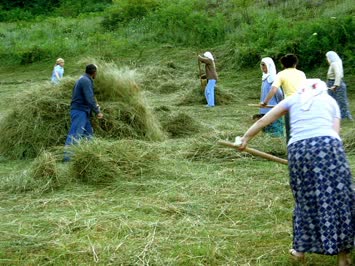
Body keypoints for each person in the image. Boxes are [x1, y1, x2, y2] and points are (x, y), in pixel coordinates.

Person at [239, 79, 354, 266]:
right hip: (329, 147)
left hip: (298, 149)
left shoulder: (294, 99)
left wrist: (245, 139)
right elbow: (335, 133)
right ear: (322, 90)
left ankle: (299, 251)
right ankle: (343, 257)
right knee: (339, 198)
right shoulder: (330, 102)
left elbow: (264, 119)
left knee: (305, 198)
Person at [261, 54, 306, 143]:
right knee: (301, 126)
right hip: (303, 102)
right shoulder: (301, 73)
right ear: (295, 64)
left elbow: (274, 89)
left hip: (290, 104)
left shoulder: (281, 74)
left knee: (290, 128)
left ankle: (290, 147)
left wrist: (265, 102)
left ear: (283, 65)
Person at [64, 64, 103, 161]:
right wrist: (97, 111)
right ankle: (68, 159)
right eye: (96, 72)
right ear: (94, 72)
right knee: (75, 135)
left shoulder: (83, 79)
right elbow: (89, 98)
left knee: (88, 134)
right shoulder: (85, 81)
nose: (96, 74)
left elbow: (88, 97)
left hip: (83, 111)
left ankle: (90, 156)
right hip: (79, 111)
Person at [259, 57, 284, 137]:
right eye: (261, 65)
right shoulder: (264, 78)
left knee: (275, 128)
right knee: (266, 128)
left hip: (272, 107)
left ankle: (277, 139)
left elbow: (279, 92)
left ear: (269, 66)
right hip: (264, 107)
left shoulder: (273, 78)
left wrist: (280, 103)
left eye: (264, 65)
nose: (262, 67)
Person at [326, 51, 353, 120]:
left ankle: (344, 116)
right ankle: (336, 115)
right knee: (334, 100)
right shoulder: (336, 62)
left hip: (334, 83)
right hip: (333, 83)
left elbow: (338, 74)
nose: (327, 59)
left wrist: (335, 85)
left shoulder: (334, 63)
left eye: (327, 57)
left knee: (340, 100)